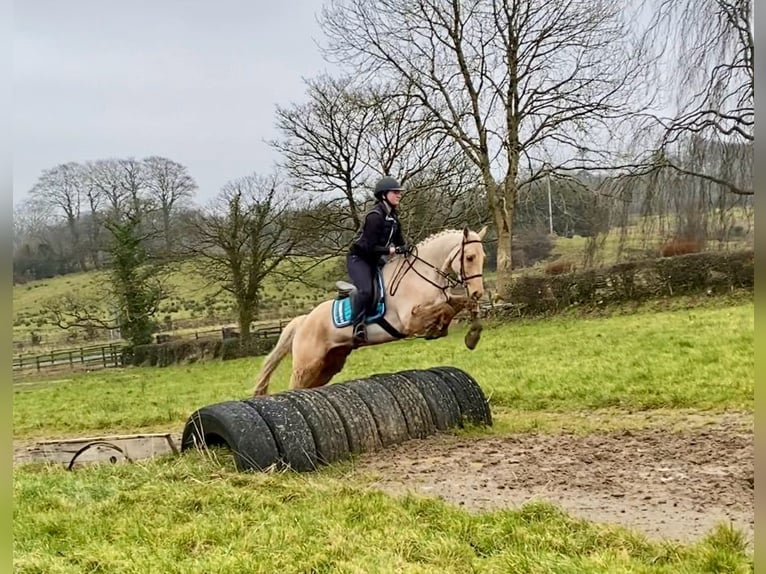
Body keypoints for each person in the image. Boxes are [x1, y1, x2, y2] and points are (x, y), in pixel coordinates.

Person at [346, 176, 411, 347]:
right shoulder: (375, 216)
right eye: (395, 192)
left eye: (399, 192)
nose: (399, 195)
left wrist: (408, 250)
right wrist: (390, 251)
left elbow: (400, 243)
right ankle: (358, 326)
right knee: (366, 291)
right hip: (359, 259)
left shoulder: (394, 218)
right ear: (384, 195)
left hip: (375, 260)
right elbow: (369, 247)